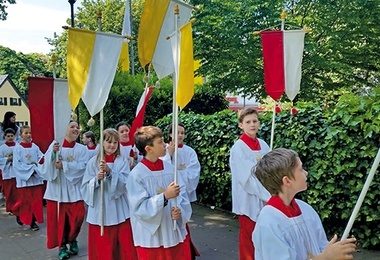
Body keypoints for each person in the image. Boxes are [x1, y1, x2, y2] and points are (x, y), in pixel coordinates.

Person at [253, 148, 357, 259]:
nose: (306, 173)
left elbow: (320, 246)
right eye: (301, 169)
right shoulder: (269, 223)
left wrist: (336, 251)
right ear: (287, 181)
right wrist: (326, 257)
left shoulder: (305, 209)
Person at [127, 126, 192, 259]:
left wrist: (179, 210)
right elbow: (139, 208)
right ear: (148, 149)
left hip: (171, 229)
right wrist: (164, 196)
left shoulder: (170, 169)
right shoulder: (136, 175)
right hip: (151, 237)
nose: (165, 145)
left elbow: (182, 194)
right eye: (160, 142)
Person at [81, 128, 137, 260]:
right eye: (109, 142)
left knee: (124, 246)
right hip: (100, 210)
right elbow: (84, 187)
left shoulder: (122, 161)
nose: (112, 145)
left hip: (119, 209)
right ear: (102, 142)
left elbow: (126, 183)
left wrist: (110, 173)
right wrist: (96, 180)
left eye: (115, 143)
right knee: (102, 248)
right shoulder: (93, 162)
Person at [41, 120, 87, 260]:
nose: (75, 129)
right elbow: (45, 167)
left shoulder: (81, 149)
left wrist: (65, 166)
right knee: (60, 222)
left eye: (77, 127)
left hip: (74, 189)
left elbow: (84, 166)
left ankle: (72, 238)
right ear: (64, 129)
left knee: (78, 217)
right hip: (58, 190)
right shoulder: (55, 146)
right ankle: (62, 246)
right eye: (72, 126)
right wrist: (52, 155)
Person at [229, 107, 271, 260]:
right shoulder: (238, 148)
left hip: (265, 197)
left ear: (259, 123)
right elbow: (246, 178)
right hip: (247, 199)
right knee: (249, 239)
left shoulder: (264, 145)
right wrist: (269, 195)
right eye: (248, 122)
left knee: (263, 239)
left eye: (254, 121)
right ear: (241, 125)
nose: (252, 124)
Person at [12, 125, 44, 231]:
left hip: (35, 179)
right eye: (26, 133)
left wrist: (40, 165)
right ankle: (19, 214)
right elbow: (17, 165)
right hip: (25, 179)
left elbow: (41, 158)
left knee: (35, 202)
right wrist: (31, 169)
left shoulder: (34, 147)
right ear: (21, 134)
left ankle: (33, 222)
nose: (29, 135)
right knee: (25, 201)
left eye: (30, 133)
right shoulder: (17, 148)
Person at [162, 123, 201, 203]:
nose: (180, 135)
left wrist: (179, 177)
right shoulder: (163, 149)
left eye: (182, 133)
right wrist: (168, 154)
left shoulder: (189, 151)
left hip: (184, 189)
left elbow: (194, 171)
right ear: (170, 134)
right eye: (177, 132)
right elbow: (161, 167)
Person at [0, 128, 19, 216]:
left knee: (17, 192)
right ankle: (11, 208)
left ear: (14, 136)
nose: (10, 138)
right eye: (8, 136)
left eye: (12, 136)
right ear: (5, 137)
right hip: (7, 173)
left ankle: (18, 207)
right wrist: (8, 159)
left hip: (17, 172)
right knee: (9, 192)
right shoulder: (2, 148)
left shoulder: (18, 146)